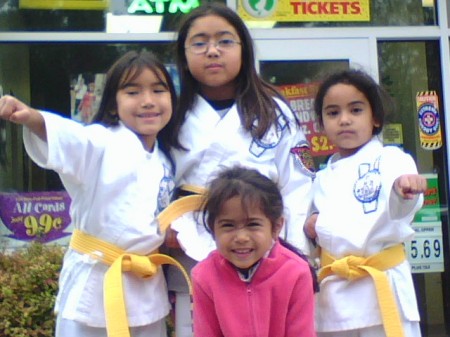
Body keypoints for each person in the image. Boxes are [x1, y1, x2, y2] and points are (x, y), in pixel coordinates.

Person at [0, 50, 186, 337]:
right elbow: (72, 138)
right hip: (96, 284)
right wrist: (33, 118)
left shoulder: (164, 159)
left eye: (158, 90)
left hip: (145, 286)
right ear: (113, 104)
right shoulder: (101, 142)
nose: (148, 101)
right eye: (133, 91)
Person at [164, 3, 315, 335]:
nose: (213, 51)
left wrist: (288, 250)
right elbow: (150, 178)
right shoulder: (170, 112)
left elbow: (296, 185)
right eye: (200, 42)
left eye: (225, 41)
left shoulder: (273, 111)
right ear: (184, 54)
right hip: (189, 247)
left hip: (265, 249)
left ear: (244, 50)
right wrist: (162, 227)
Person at [304, 69, 426, 337]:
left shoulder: (392, 159)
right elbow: (310, 233)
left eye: (356, 110)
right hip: (335, 294)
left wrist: (406, 190)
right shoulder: (320, 178)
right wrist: (309, 227)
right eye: (333, 113)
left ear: (376, 118)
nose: (344, 120)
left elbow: (400, 212)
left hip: (382, 289)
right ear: (322, 124)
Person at [192, 166, 317, 337]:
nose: (241, 237)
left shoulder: (296, 273)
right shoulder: (204, 276)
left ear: (276, 226)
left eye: (253, 224)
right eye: (228, 225)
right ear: (213, 228)